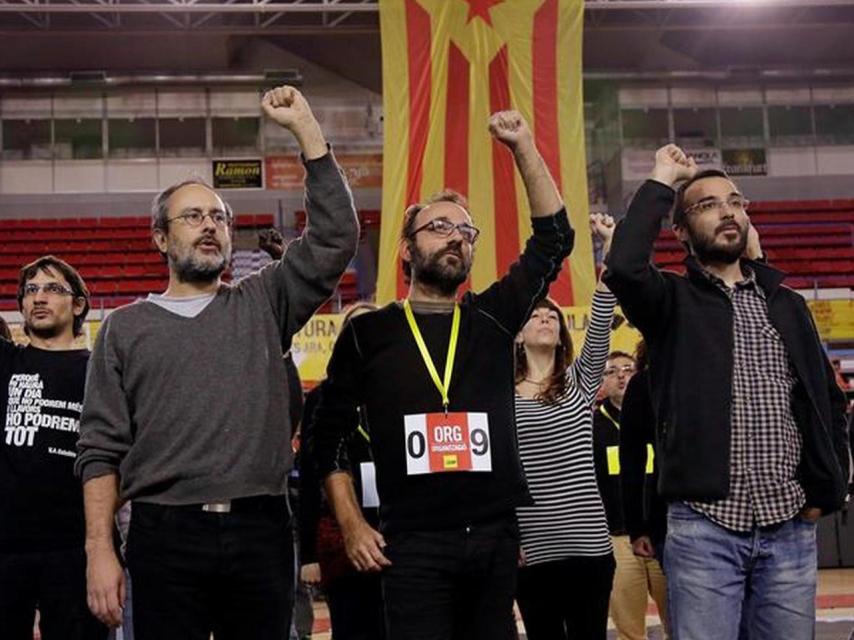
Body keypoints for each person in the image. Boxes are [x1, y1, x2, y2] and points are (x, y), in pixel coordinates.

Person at [75, 85, 359, 640]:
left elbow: (336, 237)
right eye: (192, 216)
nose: (210, 225)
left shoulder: (264, 301)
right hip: (163, 531)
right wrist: (99, 550)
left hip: (261, 528)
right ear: (161, 238)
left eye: (219, 217)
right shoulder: (124, 328)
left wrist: (307, 130)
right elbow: (99, 450)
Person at [312, 110, 574, 640]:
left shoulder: (492, 318)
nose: (455, 237)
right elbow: (325, 437)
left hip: (496, 537)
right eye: (438, 227)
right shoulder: (370, 333)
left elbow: (554, 240)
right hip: (412, 542)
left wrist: (523, 145)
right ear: (406, 250)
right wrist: (352, 523)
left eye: (465, 230)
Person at [604, 144, 850, 640]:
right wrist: (663, 177)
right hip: (704, 530)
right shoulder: (671, 301)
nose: (727, 211)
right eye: (709, 204)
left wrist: (828, 487)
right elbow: (624, 267)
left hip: (790, 527)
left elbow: (828, 401)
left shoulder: (787, 305)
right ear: (680, 230)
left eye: (735, 202)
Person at [513, 214, 617, 640]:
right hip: (530, 552)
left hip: (589, 547)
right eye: (535, 314)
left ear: (561, 336)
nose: (545, 318)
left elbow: (603, 312)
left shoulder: (580, 380)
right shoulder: (498, 396)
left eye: (552, 316)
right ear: (517, 335)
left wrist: (609, 246)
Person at [0, 256, 107, 640]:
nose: (38, 298)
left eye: (52, 289)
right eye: (30, 290)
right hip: (6, 548)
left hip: (75, 549)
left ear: (78, 305)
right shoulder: (7, 361)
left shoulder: (101, 371)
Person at [300, 302, 384, 640]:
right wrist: (308, 554)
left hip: (399, 535)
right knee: (352, 626)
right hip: (340, 538)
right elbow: (310, 477)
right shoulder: (322, 397)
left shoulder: (404, 389)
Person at [593, 349, 670, 640]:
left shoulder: (662, 415)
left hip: (665, 533)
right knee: (629, 630)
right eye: (612, 371)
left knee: (682, 623)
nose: (621, 376)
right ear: (602, 381)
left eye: (628, 369)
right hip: (617, 539)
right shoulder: (592, 425)